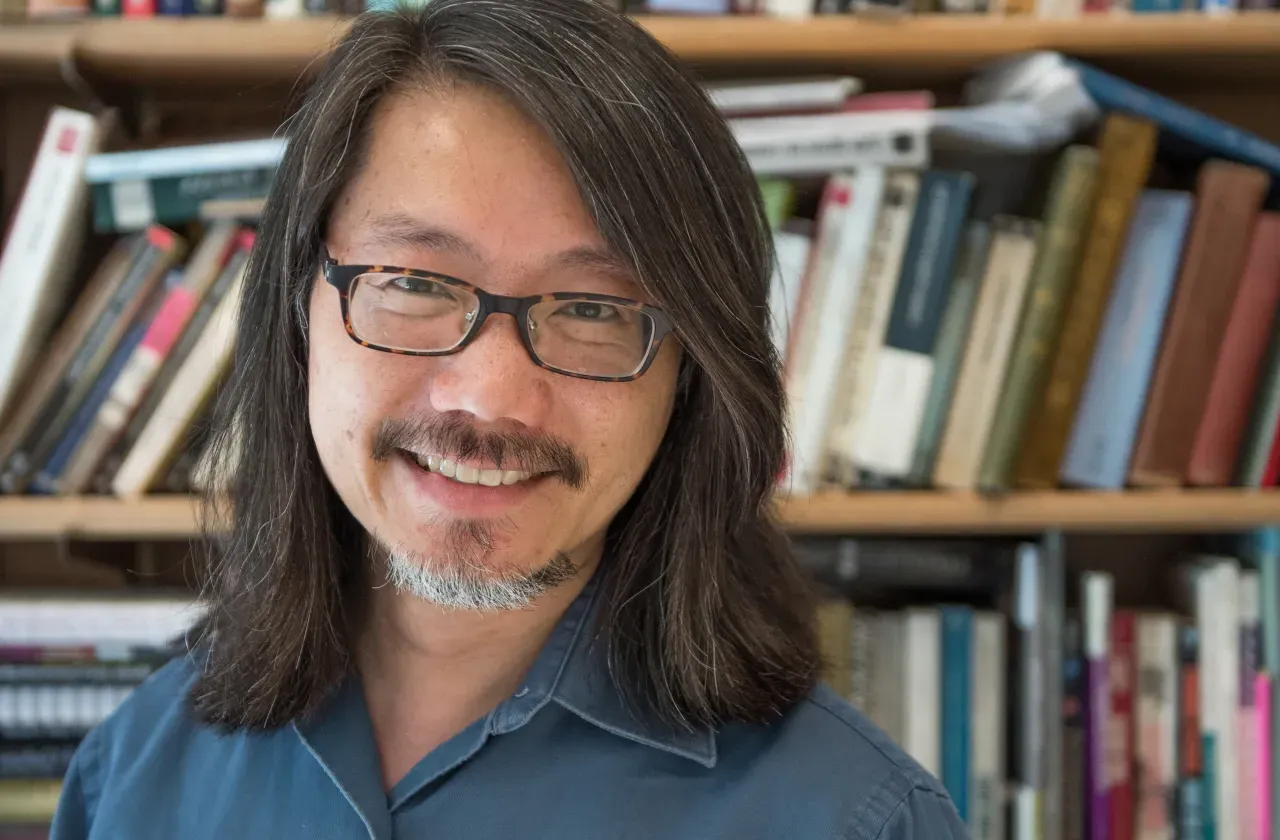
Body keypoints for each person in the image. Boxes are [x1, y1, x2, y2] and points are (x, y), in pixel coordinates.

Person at [50, 1, 968, 837]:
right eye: (412, 283)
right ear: (296, 313)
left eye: (595, 310)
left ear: (694, 376)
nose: (490, 395)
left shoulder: (858, 819)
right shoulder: (135, 776)